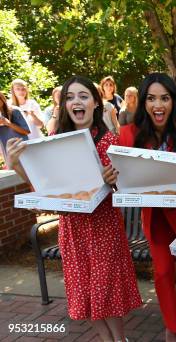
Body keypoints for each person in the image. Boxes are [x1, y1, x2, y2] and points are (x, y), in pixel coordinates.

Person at [6, 76, 141, 342]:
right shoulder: (55, 141)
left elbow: (126, 189)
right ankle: (107, 340)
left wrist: (114, 180)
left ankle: (119, 340)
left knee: (107, 293)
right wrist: (16, 163)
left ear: (95, 104)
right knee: (86, 294)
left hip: (103, 229)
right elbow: (42, 185)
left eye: (83, 96)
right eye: (69, 97)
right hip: (73, 231)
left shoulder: (108, 142)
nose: (76, 101)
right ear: (64, 105)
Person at [117, 73, 176, 342]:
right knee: (164, 271)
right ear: (143, 102)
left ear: (173, 102)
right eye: (152, 98)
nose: (158, 105)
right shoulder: (128, 134)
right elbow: (126, 177)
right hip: (153, 217)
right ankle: (171, 326)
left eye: (164, 98)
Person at [0, 91, 29, 168]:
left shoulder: (14, 111)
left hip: (22, 148)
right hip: (8, 152)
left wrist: (8, 123)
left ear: (2, 99)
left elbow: (26, 131)